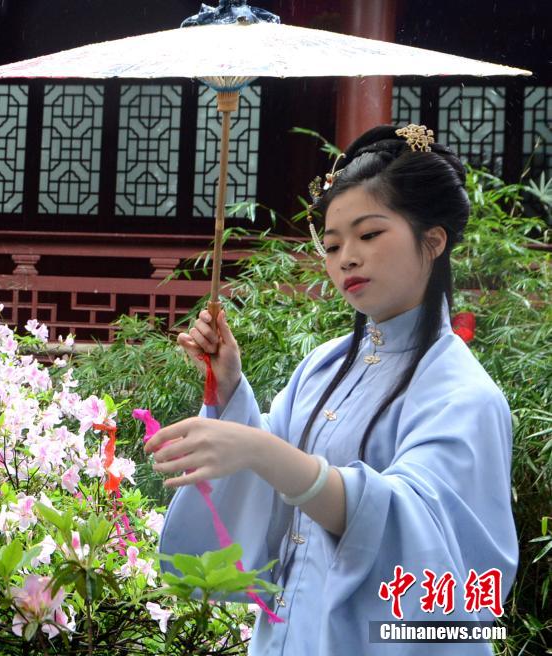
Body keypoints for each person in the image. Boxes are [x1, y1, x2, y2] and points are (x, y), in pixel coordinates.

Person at [145, 124, 518, 655]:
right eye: (333, 243)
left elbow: (418, 534)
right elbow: (272, 491)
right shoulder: (321, 368)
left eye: (369, 236)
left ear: (433, 241)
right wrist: (229, 391)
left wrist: (257, 448)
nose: (346, 258)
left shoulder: (464, 396)